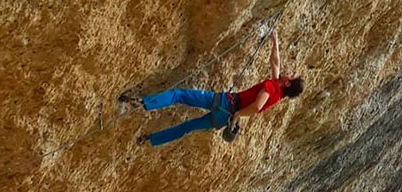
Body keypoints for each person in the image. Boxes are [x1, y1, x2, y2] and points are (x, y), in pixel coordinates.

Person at [120, 30, 303, 147]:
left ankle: (143, 103)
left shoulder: (271, 87)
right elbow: (275, 62)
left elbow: (257, 106)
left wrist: (239, 114)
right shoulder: (278, 92)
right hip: (222, 119)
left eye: (291, 76)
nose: (289, 73)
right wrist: (275, 42)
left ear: (287, 83)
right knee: (187, 127)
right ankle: (150, 140)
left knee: (179, 95)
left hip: (225, 103)